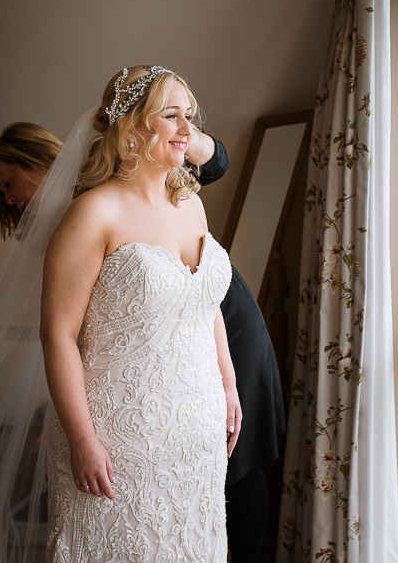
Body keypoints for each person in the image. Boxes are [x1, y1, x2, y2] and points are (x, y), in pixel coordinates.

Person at [0, 110, 285, 562]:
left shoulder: (121, 167)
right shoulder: (79, 220)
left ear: (35, 160)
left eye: (8, 182)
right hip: (155, 349)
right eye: (1, 193)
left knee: (234, 468)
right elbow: (90, 333)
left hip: (215, 320)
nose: (8, 200)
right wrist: (74, 420)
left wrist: (180, 127)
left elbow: (215, 162)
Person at [39, 65, 237, 561]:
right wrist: (82, 439)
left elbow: (203, 303)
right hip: (121, 439)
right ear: (130, 127)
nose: (189, 133)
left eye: (189, 116)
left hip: (197, 433)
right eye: (171, 116)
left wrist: (228, 384)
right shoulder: (93, 214)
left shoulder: (190, 202)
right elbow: (57, 334)